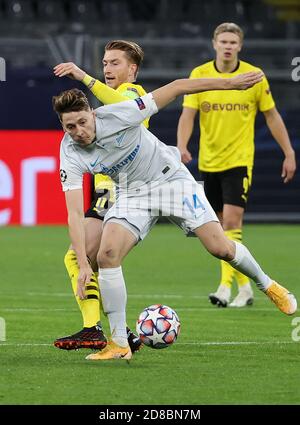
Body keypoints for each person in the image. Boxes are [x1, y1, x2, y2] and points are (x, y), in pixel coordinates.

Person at [52, 71, 297, 361]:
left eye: (83, 122)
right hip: (132, 193)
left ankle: (268, 285)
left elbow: (179, 86)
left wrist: (230, 84)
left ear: (93, 114)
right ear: (63, 127)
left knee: (220, 247)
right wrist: (83, 264)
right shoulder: (69, 152)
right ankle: (119, 343)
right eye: (71, 127)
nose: (79, 131)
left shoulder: (121, 114)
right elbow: (74, 213)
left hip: (171, 182)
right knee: (106, 255)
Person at [177, 22, 296, 308]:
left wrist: (289, 152)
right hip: (208, 159)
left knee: (231, 222)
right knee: (218, 227)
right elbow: (188, 115)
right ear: (214, 44)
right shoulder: (200, 75)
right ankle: (245, 287)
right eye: (223, 41)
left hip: (239, 160)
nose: (228, 46)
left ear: (240, 46)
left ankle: (224, 287)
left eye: (233, 42)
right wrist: (181, 145)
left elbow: (272, 116)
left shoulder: (254, 76)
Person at [53, 40, 149, 352]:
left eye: (115, 63)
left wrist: (83, 76)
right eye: (105, 63)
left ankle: (102, 330)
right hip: (105, 190)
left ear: (132, 70)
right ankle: (113, 334)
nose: (108, 69)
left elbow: (123, 108)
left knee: (99, 260)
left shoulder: (135, 95)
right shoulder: (99, 110)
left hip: (125, 189)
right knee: (85, 260)